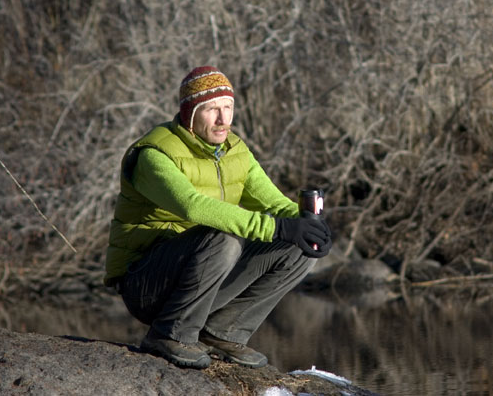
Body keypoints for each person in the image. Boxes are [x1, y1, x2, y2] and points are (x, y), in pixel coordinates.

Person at [104, 66, 332, 369]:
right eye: (212, 109)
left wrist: (310, 226)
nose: (224, 119)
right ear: (190, 114)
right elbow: (192, 207)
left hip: (203, 272)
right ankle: (169, 333)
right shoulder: (154, 155)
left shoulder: (234, 150)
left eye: (228, 107)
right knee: (225, 238)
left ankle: (222, 333)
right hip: (147, 283)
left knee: (298, 246)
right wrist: (276, 227)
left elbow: (274, 202)